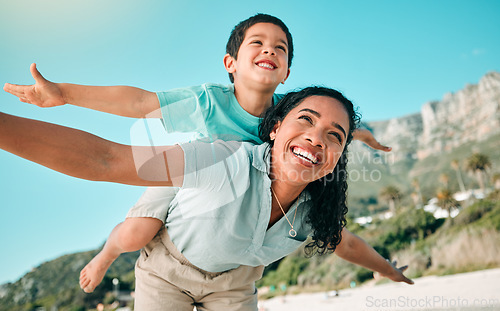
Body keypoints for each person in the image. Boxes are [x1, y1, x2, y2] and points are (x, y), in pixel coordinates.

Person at [3, 14, 390, 294]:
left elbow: (323, 129)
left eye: (280, 48)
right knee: (139, 233)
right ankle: (108, 251)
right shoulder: (208, 102)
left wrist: (361, 135)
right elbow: (139, 102)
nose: (269, 49)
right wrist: (66, 94)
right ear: (230, 63)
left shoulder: (292, 112)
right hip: (192, 174)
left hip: (238, 199)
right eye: (257, 42)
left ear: (287, 72)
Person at [0, 86, 412, 310]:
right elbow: (108, 159)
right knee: (133, 234)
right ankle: (107, 250)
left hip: (234, 287)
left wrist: (388, 269)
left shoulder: (312, 211)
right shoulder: (224, 159)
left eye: (334, 136)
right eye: (305, 120)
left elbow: (346, 243)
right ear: (273, 129)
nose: (316, 138)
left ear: (336, 159)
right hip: (168, 268)